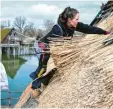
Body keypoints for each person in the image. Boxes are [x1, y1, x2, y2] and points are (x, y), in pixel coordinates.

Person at [30, 6, 111, 95]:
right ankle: (34, 88)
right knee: (43, 66)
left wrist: (104, 32)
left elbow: (89, 29)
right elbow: (54, 46)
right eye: (76, 19)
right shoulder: (57, 29)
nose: (77, 21)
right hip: (43, 47)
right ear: (69, 19)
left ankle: (45, 80)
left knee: (61, 64)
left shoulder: (74, 25)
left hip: (54, 46)